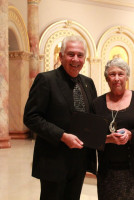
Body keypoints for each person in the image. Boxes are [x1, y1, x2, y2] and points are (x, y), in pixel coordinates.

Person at [23, 35, 97, 200]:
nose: (75, 59)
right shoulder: (46, 80)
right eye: (71, 54)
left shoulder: (88, 83)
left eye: (80, 55)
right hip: (54, 159)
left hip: (79, 159)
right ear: (61, 56)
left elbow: (93, 117)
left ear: (85, 58)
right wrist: (62, 136)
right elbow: (31, 117)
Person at [92, 57, 134, 200]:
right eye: (112, 74)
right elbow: (90, 137)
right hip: (108, 173)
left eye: (120, 74)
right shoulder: (97, 104)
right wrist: (108, 139)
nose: (116, 78)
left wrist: (131, 135)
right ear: (107, 78)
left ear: (127, 76)